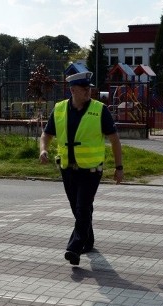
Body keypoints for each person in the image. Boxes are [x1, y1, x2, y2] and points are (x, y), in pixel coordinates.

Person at [39, 71, 123, 266]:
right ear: (73, 90)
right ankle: (88, 240)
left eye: (89, 88)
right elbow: (46, 135)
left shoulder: (100, 110)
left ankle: (74, 248)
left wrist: (119, 167)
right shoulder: (59, 109)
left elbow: (114, 140)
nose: (88, 92)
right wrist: (43, 150)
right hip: (67, 168)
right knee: (78, 209)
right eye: (84, 89)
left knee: (82, 207)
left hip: (91, 170)